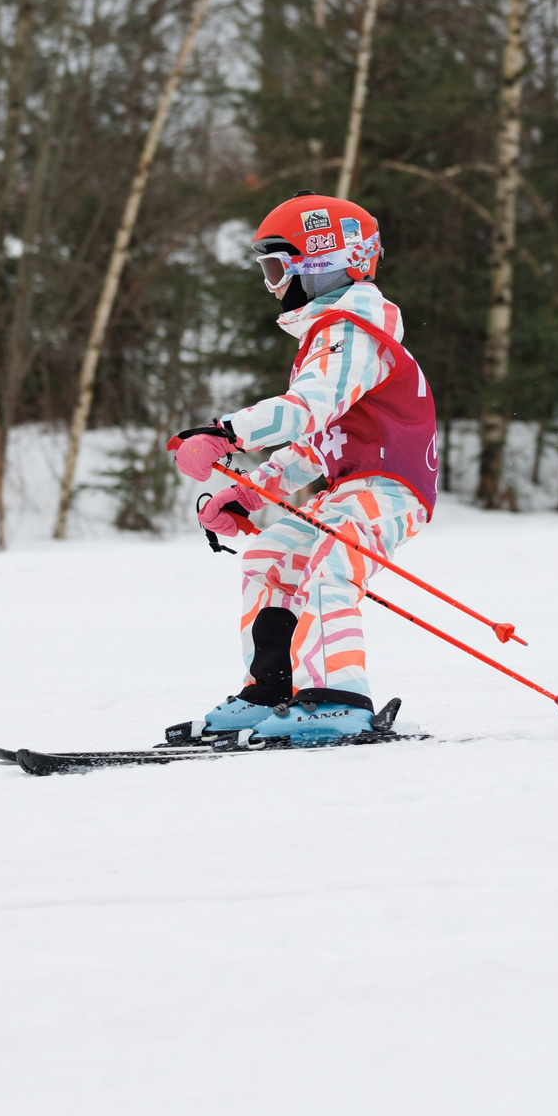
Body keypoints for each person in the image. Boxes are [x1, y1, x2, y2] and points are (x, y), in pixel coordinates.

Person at [167, 193, 438, 744]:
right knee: (268, 558)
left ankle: (339, 700)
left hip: (391, 489)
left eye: (276, 269)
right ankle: (271, 690)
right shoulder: (329, 335)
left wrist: (225, 433)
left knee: (329, 564)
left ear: (320, 266)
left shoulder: (355, 333)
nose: (271, 286)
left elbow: (305, 409)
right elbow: (317, 444)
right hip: (349, 485)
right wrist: (252, 494)